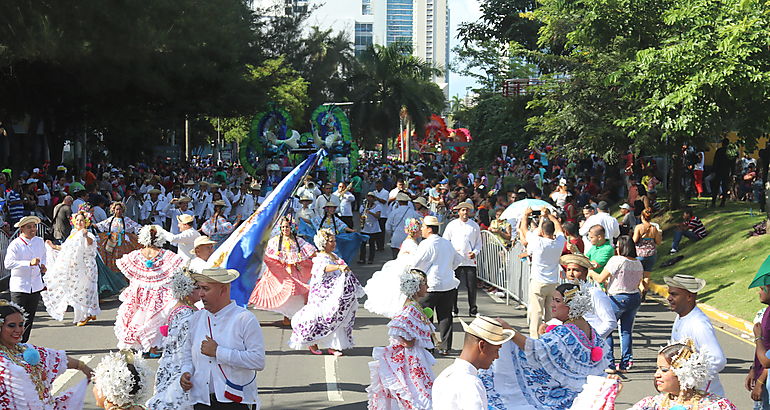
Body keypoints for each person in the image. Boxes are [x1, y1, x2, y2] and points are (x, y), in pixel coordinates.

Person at [479, 283, 611, 409]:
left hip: (569, 396)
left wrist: (509, 330)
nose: (552, 305)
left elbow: (535, 350)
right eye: (553, 300)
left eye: (557, 301)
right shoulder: (590, 329)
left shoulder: (564, 332)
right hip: (587, 393)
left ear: (571, 305)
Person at [181, 268, 266, 409]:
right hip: (201, 400)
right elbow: (187, 356)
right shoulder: (196, 318)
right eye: (199, 288)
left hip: (236, 400)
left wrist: (218, 352)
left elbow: (258, 360)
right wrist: (186, 372)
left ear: (223, 290)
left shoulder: (244, 319)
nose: (200, 294)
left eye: (206, 289)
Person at [0, 299, 93, 409]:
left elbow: (56, 358)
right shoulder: (2, 360)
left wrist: (83, 367)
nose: (18, 330)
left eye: (21, 324)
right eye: (11, 325)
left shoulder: (26, 349)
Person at [289, 229, 365, 356]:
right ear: (324, 243)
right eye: (331, 241)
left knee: (336, 316)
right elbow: (323, 268)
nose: (334, 243)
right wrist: (338, 267)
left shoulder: (334, 256)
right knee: (322, 317)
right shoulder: (320, 257)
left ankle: (333, 345)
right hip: (323, 294)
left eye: (334, 241)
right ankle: (312, 342)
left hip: (334, 291)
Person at [367, 269, 435, 409]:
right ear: (416, 288)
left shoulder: (414, 306)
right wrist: (409, 342)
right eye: (425, 285)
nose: (427, 288)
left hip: (415, 354)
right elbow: (398, 326)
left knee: (417, 387)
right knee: (414, 388)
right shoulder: (410, 308)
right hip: (410, 356)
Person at [115, 225, 185, 355]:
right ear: (160, 238)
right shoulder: (166, 255)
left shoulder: (135, 255)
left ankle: (137, 346)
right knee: (155, 319)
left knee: (137, 317)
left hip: (139, 292)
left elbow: (124, 265)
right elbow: (179, 264)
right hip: (158, 292)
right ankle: (152, 347)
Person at [432, 315, 514, 409]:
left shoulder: (444, 375)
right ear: (482, 346)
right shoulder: (472, 383)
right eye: (496, 350)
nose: (497, 356)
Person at [248, 215, 317, 326]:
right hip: (280, 272)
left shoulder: (298, 241)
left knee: (294, 296)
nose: (285, 229)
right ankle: (287, 317)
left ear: (292, 228)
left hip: (295, 271)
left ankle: (289, 317)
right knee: (276, 292)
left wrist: (324, 256)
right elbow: (266, 254)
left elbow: (312, 252)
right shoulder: (275, 241)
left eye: (287, 227)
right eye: (283, 227)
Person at [147, 269, 200, 410]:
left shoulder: (180, 307)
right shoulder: (187, 313)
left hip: (171, 358)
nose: (201, 292)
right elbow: (186, 343)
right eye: (198, 288)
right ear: (189, 291)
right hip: (181, 360)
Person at [630, 340, 736, 410]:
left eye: (664, 370)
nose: (656, 374)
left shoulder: (715, 406)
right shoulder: (651, 405)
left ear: (684, 372)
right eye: (657, 369)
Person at [666, 274, 726, 396]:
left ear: (689, 297)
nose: (669, 298)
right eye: (669, 294)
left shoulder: (699, 324)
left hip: (704, 397)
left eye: (674, 294)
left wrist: (691, 378)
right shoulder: (681, 317)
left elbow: (717, 360)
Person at [590, 235, 644, 373]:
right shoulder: (638, 263)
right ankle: (626, 363)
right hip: (634, 297)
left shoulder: (617, 260)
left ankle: (610, 363)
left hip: (617, 297)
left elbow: (601, 277)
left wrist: (590, 271)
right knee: (626, 331)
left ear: (621, 247)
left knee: (607, 329)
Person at [412, 215, 463, 355]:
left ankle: (429, 345)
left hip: (431, 286)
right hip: (447, 284)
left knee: (426, 316)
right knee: (445, 316)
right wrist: (447, 269)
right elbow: (458, 259)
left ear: (429, 229)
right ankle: (446, 346)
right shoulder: (446, 243)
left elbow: (416, 264)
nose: (421, 230)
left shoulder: (426, 244)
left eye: (423, 227)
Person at [42, 209, 100, 326]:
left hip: (85, 267)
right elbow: (65, 248)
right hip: (74, 267)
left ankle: (85, 315)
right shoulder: (73, 233)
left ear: (86, 222)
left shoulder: (88, 233)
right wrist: (53, 246)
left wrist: (85, 236)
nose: (79, 222)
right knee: (75, 289)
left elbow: (90, 244)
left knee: (83, 290)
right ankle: (87, 313)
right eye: (77, 220)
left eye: (82, 221)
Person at [518, 207, 566, 338]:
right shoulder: (559, 243)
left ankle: (535, 339)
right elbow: (559, 228)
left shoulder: (537, 241)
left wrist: (525, 215)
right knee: (551, 313)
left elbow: (524, 230)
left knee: (536, 313)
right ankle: (551, 337)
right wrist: (549, 215)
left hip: (538, 281)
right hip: (553, 282)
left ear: (542, 232)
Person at [364, 218, 422, 318]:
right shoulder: (410, 243)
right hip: (406, 268)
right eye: (419, 229)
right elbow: (410, 259)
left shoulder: (409, 241)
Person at [4, 215, 47, 342]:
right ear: (22, 229)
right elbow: (8, 264)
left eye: (34, 226)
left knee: (29, 318)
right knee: (17, 318)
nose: (32, 229)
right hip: (20, 286)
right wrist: (28, 263)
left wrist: (44, 266)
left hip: (35, 285)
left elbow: (44, 256)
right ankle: (13, 343)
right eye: (29, 227)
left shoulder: (39, 241)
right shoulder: (15, 244)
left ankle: (24, 343)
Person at [559, 253, 616, 339]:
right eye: (568, 270)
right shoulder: (565, 292)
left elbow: (610, 322)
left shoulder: (594, 293)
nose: (571, 273)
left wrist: (592, 339)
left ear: (585, 272)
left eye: (575, 270)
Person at [443, 202, 482, 317]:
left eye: (467, 210)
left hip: (469, 261)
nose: (465, 213)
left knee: (471, 286)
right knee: (454, 285)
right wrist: (451, 253)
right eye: (463, 210)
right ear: (458, 211)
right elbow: (446, 241)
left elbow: (479, 243)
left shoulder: (474, 226)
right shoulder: (452, 225)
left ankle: (473, 309)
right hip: (456, 260)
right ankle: (454, 308)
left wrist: (475, 253)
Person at [95, 201, 143, 273]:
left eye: (120, 209)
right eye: (117, 209)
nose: (118, 211)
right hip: (112, 242)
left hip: (123, 242)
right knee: (111, 257)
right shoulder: (110, 219)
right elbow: (100, 225)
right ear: (113, 210)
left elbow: (136, 226)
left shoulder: (126, 220)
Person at [747, 278, 770, 410]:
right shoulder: (766, 312)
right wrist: (753, 369)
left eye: (762, 289)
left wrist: (760, 381)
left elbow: (768, 360)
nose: (759, 292)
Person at [633, 208, 662, 298]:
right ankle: (645, 290)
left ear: (642, 217)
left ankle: (641, 288)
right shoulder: (654, 228)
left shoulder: (639, 227)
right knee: (647, 274)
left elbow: (634, 240)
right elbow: (658, 242)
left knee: (637, 274)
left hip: (640, 254)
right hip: (651, 254)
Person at [386, 192, 417, 258]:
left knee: (395, 260)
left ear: (399, 202)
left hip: (396, 240)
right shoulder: (414, 213)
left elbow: (388, 227)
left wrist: (392, 234)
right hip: (409, 241)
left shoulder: (394, 212)